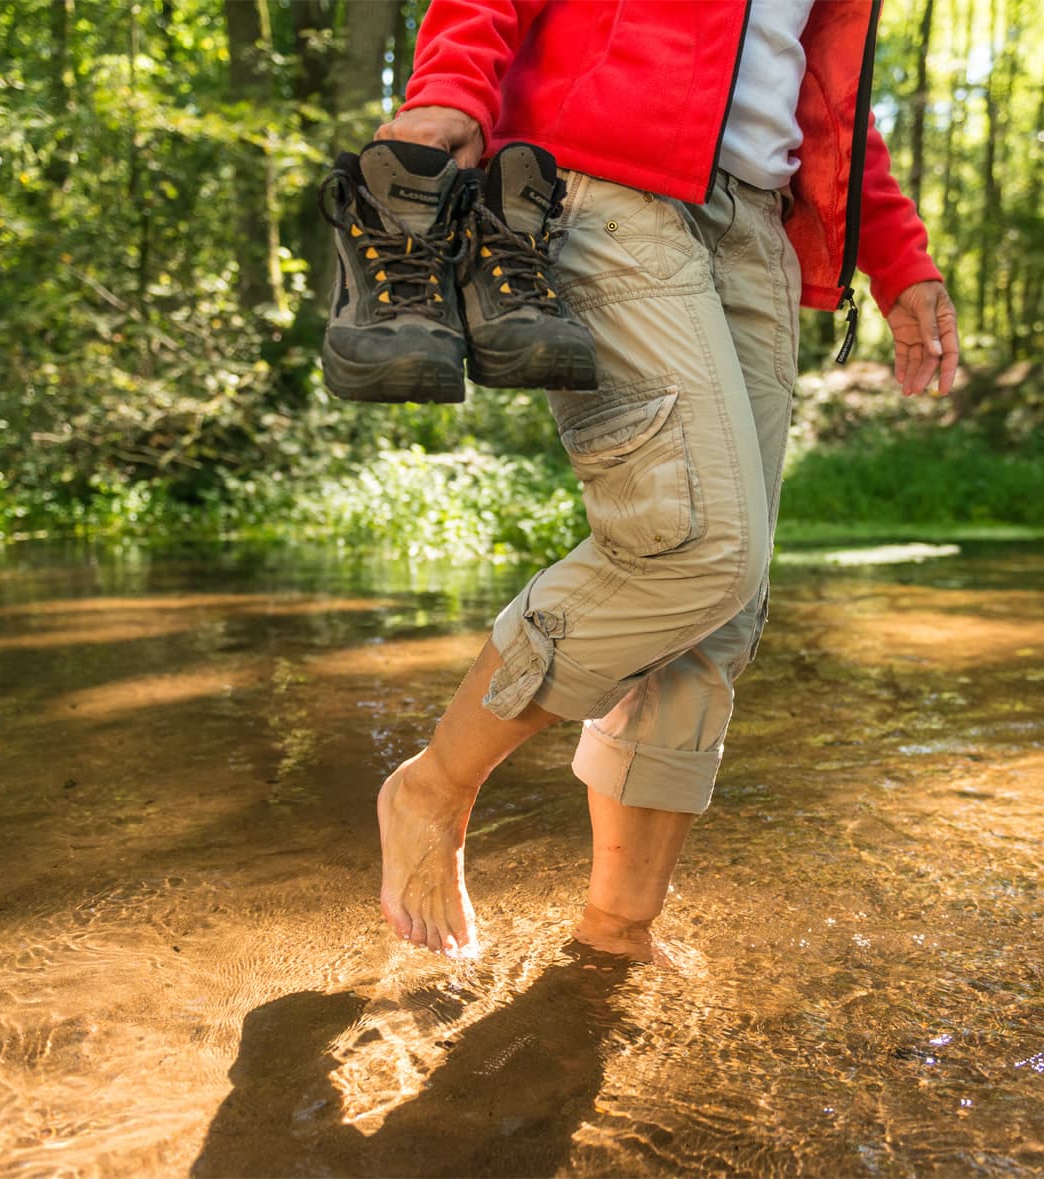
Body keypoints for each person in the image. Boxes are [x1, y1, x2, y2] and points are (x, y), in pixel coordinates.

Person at [371, 0, 960, 961]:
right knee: (695, 547)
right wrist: (449, 89)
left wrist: (897, 254)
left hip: (759, 224)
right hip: (602, 180)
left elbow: (824, 82)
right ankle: (433, 785)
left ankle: (615, 937)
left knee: (721, 609)